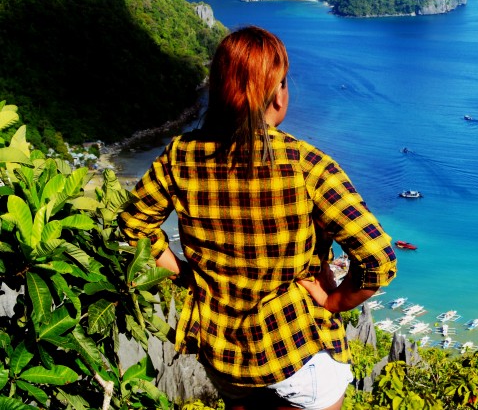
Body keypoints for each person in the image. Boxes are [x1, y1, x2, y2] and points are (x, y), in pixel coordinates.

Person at [119, 26, 397, 410]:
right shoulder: (307, 166)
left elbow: (134, 227)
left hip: (224, 355)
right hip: (297, 352)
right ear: (277, 94)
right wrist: (334, 303)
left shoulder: (181, 155)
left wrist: (185, 275)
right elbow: (378, 259)